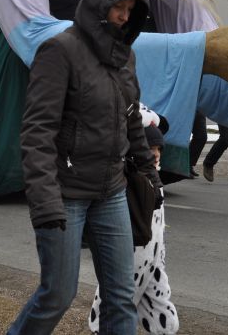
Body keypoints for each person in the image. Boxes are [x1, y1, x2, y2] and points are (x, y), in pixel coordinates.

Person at [8, 0, 162, 335]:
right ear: (97, 3)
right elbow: (37, 131)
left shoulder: (126, 56)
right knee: (58, 293)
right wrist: (45, 201)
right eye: (118, 7)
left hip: (111, 191)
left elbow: (131, 120)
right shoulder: (59, 51)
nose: (124, 17)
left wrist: (149, 174)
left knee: (121, 297)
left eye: (131, 9)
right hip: (65, 192)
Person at [89, 121, 178, 334]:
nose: (155, 154)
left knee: (164, 321)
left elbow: (158, 229)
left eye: (158, 149)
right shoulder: (129, 185)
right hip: (129, 258)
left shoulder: (155, 184)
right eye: (150, 149)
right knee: (116, 305)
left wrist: (160, 258)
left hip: (153, 261)